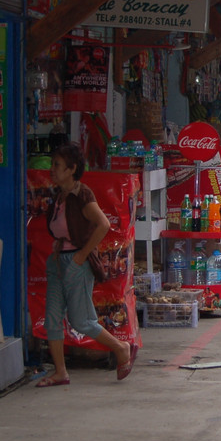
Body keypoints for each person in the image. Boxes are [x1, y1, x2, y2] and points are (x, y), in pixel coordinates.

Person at [37, 143, 136, 387]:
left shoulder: (82, 194)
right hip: (58, 261)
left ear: (71, 169)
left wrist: (81, 255)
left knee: (81, 321)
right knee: (52, 319)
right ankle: (61, 372)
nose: (52, 170)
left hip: (75, 263)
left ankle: (121, 348)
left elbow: (103, 224)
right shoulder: (59, 196)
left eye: (57, 166)